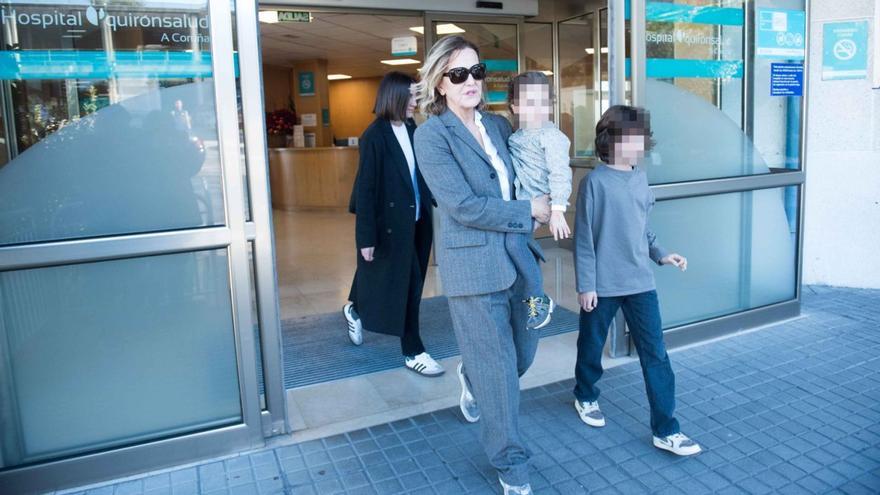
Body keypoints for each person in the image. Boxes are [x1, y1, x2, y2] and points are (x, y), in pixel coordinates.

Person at [413, 35, 551, 495]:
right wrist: (529, 209)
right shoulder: (431, 136)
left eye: (476, 72)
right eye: (458, 74)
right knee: (498, 372)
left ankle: (471, 377)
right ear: (439, 84)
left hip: (519, 260)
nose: (470, 81)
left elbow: (528, 171)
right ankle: (511, 464)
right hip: (473, 270)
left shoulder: (498, 127)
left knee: (523, 354)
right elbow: (464, 206)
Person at [572, 105, 702, 456]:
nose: (641, 144)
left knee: (656, 355)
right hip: (602, 285)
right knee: (590, 345)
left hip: (641, 283)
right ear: (611, 140)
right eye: (634, 137)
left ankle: (666, 429)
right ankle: (585, 394)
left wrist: (661, 253)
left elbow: (642, 228)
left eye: (642, 138)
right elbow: (583, 238)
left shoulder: (640, 177)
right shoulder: (594, 183)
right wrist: (586, 285)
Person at [342, 71, 444, 377]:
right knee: (409, 284)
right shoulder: (374, 136)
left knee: (387, 275)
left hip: (418, 220)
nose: (415, 101)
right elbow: (366, 189)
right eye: (411, 96)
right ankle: (413, 350)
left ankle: (355, 308)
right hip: (391, 224)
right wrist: (365, 239)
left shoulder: (413, 127)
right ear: (394, 97)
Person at [506, 71, 573, 329]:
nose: (538, 109)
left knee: (514, 244)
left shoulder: (551, 136)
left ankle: (539, 297)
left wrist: (557, 209)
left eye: (543, 102)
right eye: (529, 102)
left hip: (539, 204)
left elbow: (560, 172)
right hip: (522, 206)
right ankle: (533, 296)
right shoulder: (516, 136)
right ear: (515, 106)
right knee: (516, 246)